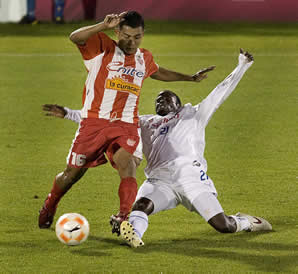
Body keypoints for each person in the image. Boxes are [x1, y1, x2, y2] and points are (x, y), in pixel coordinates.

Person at [43, 49, 272, 248]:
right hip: (160, 180)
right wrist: (68, 113)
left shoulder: (193, 114)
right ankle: (132, 235)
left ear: (178, 104)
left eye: (167, 98)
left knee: (223, 225)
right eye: (158, 99)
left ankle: (244, 221)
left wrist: (242, 65)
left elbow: (220, 93)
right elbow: (105, 119)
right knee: (140, 206)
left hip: (191, 178)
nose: (161, 101)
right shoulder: (144, 121)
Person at [38, 11, 215, 234]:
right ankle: (50, 203)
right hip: (94, 123)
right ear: (117, 32)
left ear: (143, 34)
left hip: (126, 125)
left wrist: (189, 78)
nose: (131, 42)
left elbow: (157, 72)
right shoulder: (102, 47)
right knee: (72, 174)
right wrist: (101, 25)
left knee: (128, 164)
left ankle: (123, 218)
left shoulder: (144, 58)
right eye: (127, 36)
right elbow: (75, 37)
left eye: (137, 37)